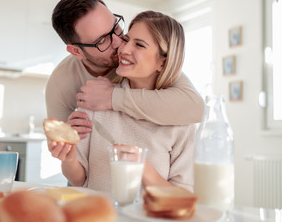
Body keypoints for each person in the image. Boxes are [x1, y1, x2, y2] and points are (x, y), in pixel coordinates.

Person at [49, 10, 195, 193]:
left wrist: (143, 168)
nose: (123, 49)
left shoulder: (180, 118)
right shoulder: (94, 101)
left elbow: (182, 197)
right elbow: (79, 179)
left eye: (139, 45)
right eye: (126, 40)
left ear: (163, 63)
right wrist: (68, 158)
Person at [45, 0, 204, 140]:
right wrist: (67, 140)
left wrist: (112, 97)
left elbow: (195, 107)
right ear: (76, 51)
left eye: (116, 27)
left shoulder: (138, 62)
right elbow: (60, 143)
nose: (120, 43)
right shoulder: (61, 83)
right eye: (102, 41)